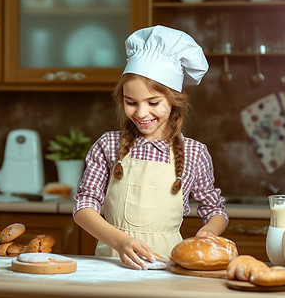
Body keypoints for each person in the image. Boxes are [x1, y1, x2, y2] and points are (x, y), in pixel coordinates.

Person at [73, 25, 228, 270]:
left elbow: (215, 209)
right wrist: (120, 241)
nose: (141, 113)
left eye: (153, 102)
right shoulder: (108, 145)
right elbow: (83, 207)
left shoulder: (194, 154)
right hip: (109, 267)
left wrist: (208, 232)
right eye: (131, 102)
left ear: (174, 100)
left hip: (167, 271)